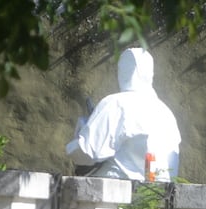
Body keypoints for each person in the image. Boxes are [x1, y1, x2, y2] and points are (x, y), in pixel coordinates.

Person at [65, 47, 181, 182]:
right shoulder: (166, 113)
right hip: (158, 197)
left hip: (115, 194)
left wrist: (75, 140)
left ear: (123, 71)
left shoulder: (116, 103)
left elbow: (87, 152)